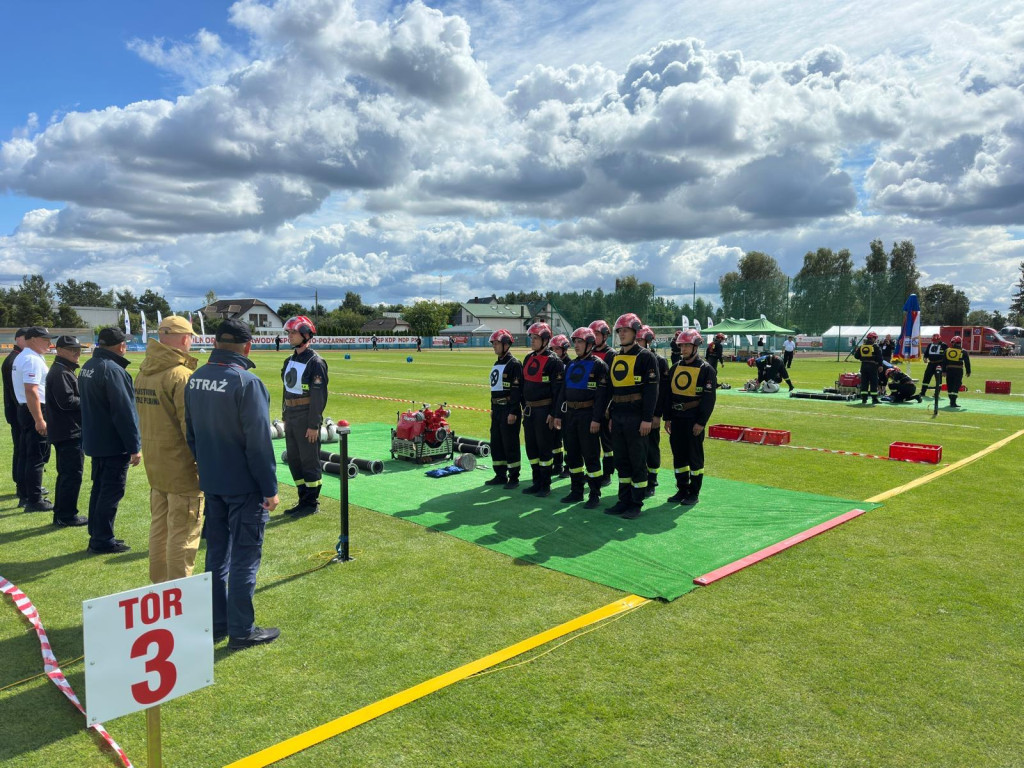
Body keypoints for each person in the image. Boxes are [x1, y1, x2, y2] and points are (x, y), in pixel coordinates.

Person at [185, 318, 280, 650]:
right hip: (244, 486)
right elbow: (258, 443)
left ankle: (218, 623)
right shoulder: (246, 382)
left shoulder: (195, 378)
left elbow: (191, 435)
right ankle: (241, 629)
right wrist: (269, 488)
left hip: (212, 481)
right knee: (244, 557)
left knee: (217, 555)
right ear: (248, 347)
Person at [135, 315, 203, 582]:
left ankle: (160, 589)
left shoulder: (144, 371)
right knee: (183, 534)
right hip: (181, 467)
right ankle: (179, 596)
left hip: (156, 464)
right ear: (184, 338)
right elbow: (192, 429)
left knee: (160, 529)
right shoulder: (181, 375)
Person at [80, 327, 142, 554]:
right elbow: (124, 413)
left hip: (96, 439)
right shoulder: (113, 370)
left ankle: (97, 533)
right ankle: (102, 539)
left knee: (100, 489)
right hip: (112, 443)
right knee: (110, 491)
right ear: (120, 346)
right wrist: (134, 446)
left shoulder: (89, 366)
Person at [606, 313, 659, 520]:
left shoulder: (646, 357)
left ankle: (636, 503)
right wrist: (611, 414)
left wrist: (647, 419)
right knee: (621, 460)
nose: (621, 334)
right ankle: (623, 500)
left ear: (636, 332)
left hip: (637, 418)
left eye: (625, 330)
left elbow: (651, 392)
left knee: (637, 461)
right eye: (619, 331)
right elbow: (613, 389)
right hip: (618, 417)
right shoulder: (615, 357)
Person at [553, 327, 610, 508]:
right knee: (573, 456)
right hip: (570, 416)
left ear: (590, 344)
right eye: (575, 342)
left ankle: (594, 494)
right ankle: (576, 491)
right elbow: (563, 392)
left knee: (591, 456)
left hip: (588, 416)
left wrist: (596, 419)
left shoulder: (599, 365)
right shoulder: (570, 364)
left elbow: (602, 397)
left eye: (580, 342)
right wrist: (558, 415)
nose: (576, 345)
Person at [280, 316, 329, 517]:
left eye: (293, 333)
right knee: (295, 460)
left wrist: (314, 425)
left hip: (306, 417)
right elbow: (286, 390)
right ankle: (302, 499)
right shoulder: (289, 360)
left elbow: (319, 396)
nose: (289, 336)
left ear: (306, 335)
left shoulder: (315, 362)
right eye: (289, 333)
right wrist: (284, 415)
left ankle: (311, 503)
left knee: (309, 460)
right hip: (291, 416)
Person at [665, 329, 717, 506]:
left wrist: (701, 422)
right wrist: (668, 418)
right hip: (677, 419)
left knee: (694, 457)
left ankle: (694, 492)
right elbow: (668, 395)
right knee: (678, 456)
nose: (684, 348)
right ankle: (682, 489)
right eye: (682, 345)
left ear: (695, 347)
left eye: (687, 345)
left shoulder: (706, 369)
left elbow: (709, 399)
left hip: (693, 419)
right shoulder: (675, 368)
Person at [45, 336, 86, 526]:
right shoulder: (61, 372)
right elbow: (67, 402)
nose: (77, 353)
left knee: (68, 474)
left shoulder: (64, 370)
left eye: (78, 349)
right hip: (68, 432)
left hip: (67, 430)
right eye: (72, 349)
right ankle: (66, 515)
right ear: (59, 350)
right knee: (71, 475)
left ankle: (63, 513)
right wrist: (91, 399)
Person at [519, 323, 564, 497]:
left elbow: (558, 392)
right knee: (531, 448)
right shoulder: (528, 358)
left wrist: (554, 414)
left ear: (545, 340)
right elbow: (523, 386)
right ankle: (536, 481)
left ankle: (545, 485)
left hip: (544, 412)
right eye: (532, 338)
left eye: (536, 338)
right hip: (530, 411)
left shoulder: (554, 361)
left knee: (544, 448)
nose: (532, 341)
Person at [12, 327, 54, 512]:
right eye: (45, 339)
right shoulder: (31, 359)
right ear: (34, 339)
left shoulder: (25, 356)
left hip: (26, 408)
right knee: (36, 455)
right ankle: (34, 499)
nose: (49, 343)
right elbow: (31, 390)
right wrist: (39, 419)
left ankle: (25, 493)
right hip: (35, 409)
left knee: (26, 453)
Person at [484, 329, 523, 489]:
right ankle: (500, 474)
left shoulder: (514, 364)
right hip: (498, 409)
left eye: (497, 343)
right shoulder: (497, 363)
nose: (494, 346)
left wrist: (513, 411)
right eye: (493, 343)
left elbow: (517, 390)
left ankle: (513, 476)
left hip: (509, 409)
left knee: (510, 443)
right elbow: (495, 388)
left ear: (506, 344)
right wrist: (493, 408)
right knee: (497, 442)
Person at [637, 326, 668, 498]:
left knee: (651, 446)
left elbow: (661, 391)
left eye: (640, 341)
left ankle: (652, 479)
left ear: (648, 342)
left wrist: (657, 414)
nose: (637, 344)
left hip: (652, 413)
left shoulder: (660, 361)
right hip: (636, 412)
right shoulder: (632, 359)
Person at [588, 319, 617, 486]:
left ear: (605, 336)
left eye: (597, 334)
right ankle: (593, 472)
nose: (594, 337)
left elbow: (613, 383)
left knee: (606, 443)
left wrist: (608, 406)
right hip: (589, 406)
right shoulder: (588, 353)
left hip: (605, 405)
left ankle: (607, 473)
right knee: (590, 442)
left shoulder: (611, 354)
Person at [3, 328, 27, 501]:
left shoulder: (16, 358)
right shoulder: (14, 359)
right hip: (18, 411)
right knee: (22, 449)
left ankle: (24, 483)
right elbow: (17, 392)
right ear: (18, 339)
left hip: (16, 410)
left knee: (22, 448)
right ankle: (22, 485)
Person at [548, 334, 571, 477]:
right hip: (554, 405)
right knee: (555, 438)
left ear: (564, 349)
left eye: (557, 349)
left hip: (567, 407)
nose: (554, 351)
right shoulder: (551, 363)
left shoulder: (570, 364)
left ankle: (569, 466)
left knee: (568, 439)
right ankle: (557, 465)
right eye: (552, 348)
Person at [852, 331, 884, 405]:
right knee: (873, 382)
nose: (875, 339)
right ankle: (874, 399)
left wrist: (863, 357)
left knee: (864, 382)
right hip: (872, 366)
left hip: (863, 366)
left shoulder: (862, 346)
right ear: (872, 338)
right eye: (875, 338)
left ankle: (864, 399)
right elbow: (880, 357)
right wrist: (880, 365)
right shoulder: (875, 347)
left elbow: (856, 356)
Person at [943, 335, 971, 408]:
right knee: (957, 385)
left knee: (950, 385)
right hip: (958, 370)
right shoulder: (963, 351)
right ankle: (953, 401)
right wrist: (968, 371)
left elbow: (944, 361)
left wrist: (943, 371)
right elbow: (967, 362)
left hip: (949, 370)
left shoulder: (947, 350)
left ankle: (951, 401)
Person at [919, 334, 948, 399]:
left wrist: (945, 366)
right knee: (926, 377)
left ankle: (936, 393)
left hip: (939, 364)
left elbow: (946, 355)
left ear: (939, 339)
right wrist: (925, 358)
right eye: (933, 340)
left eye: (935, 341)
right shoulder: (930, 345)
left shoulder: (944, 345)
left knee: (938, 379)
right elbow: (926, 353)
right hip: (931, 364)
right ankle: (923, 392)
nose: (934, 342)